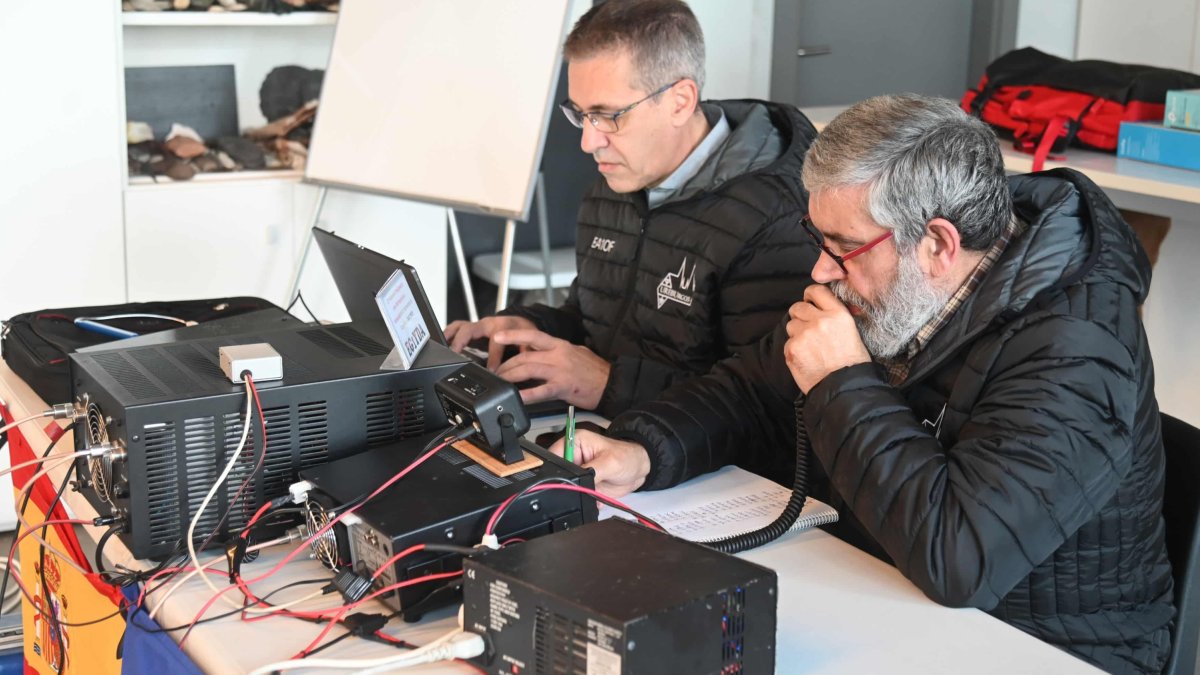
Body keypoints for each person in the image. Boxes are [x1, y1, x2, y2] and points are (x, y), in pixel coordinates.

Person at [561, 94, 1175, 673]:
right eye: (818, 238)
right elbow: (751, 387)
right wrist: (645, 449)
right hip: (885, 591)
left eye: (844, 246)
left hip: (1045, 646)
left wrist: (842, 380)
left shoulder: (1078, 349)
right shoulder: (895, 286)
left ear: (937, 243)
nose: (821, 269)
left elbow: (961, 557)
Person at [445, 0, 819, 419]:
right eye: (580, 114)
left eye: (608, 116)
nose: (589, 142)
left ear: (680, 101)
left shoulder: (774, 216)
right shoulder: (613, 187)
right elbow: (597, 319)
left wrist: (607, 383)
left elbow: (765, 408)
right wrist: (528, 330)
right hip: (614, 433)